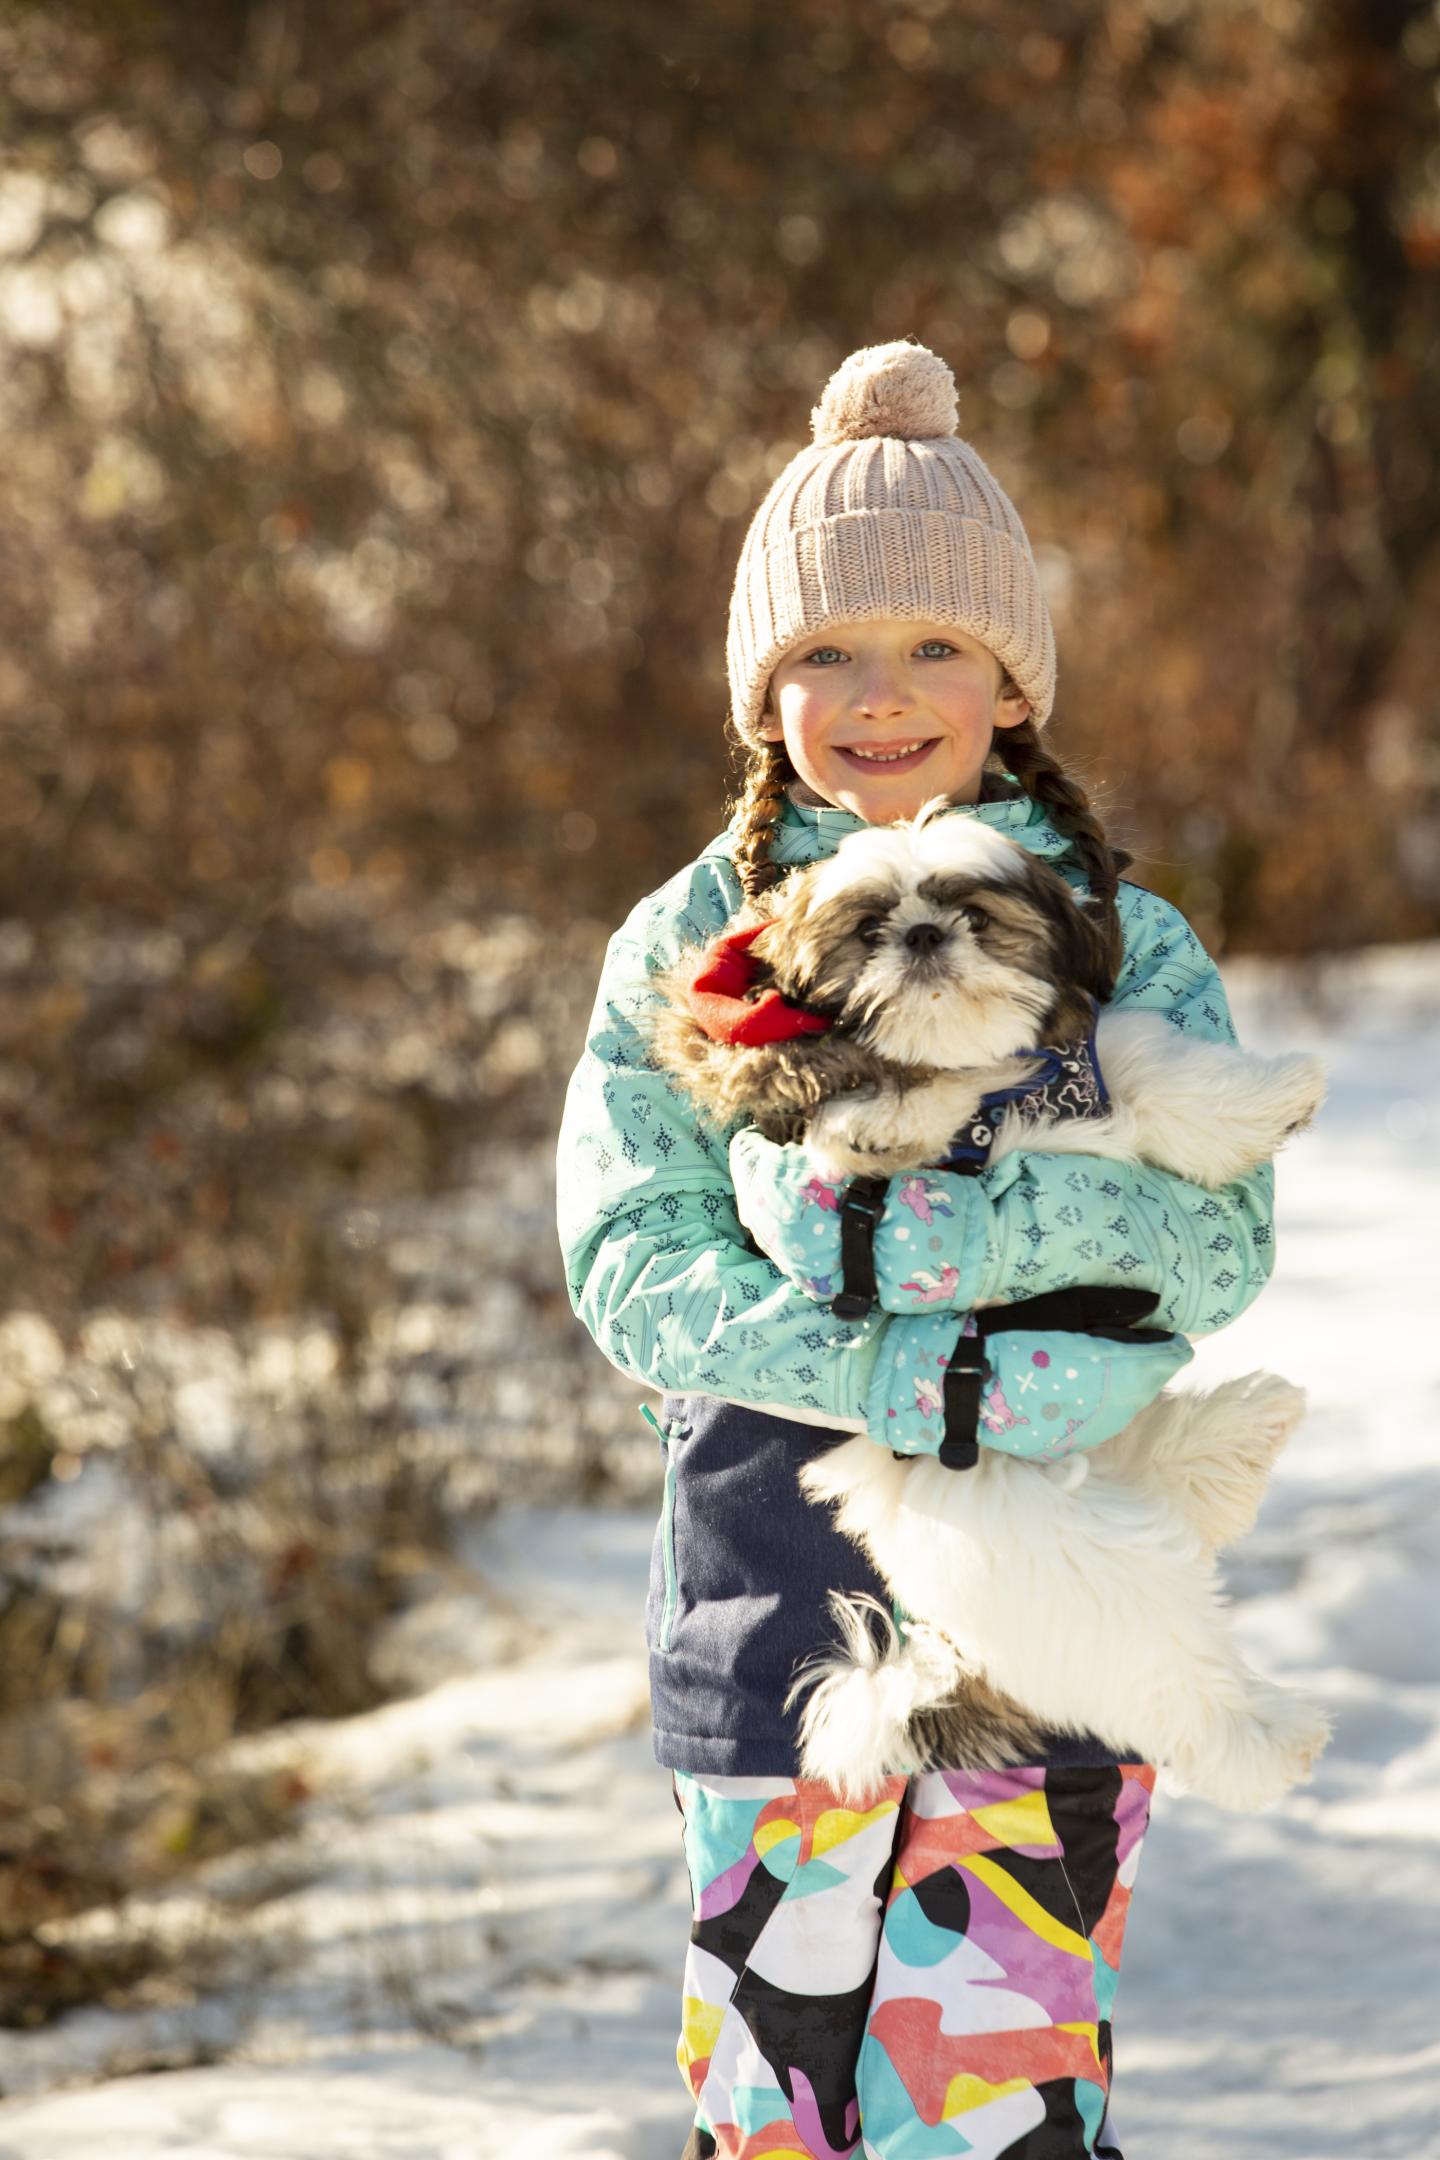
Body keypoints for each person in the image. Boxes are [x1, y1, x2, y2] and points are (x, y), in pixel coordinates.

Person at [556, 340, 1277, 2160]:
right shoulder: (689, 943)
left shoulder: (1116, 935)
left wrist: (975, 1248)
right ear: (763, 689)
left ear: (1011, 680)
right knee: (777, 2106)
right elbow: (631, 1253)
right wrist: (880, 1356)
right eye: (827, 654)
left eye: (936, 646)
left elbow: (1219, 1241)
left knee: (1003, 2100)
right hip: (772, 1619)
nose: (883, 698)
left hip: (1052, 1625)